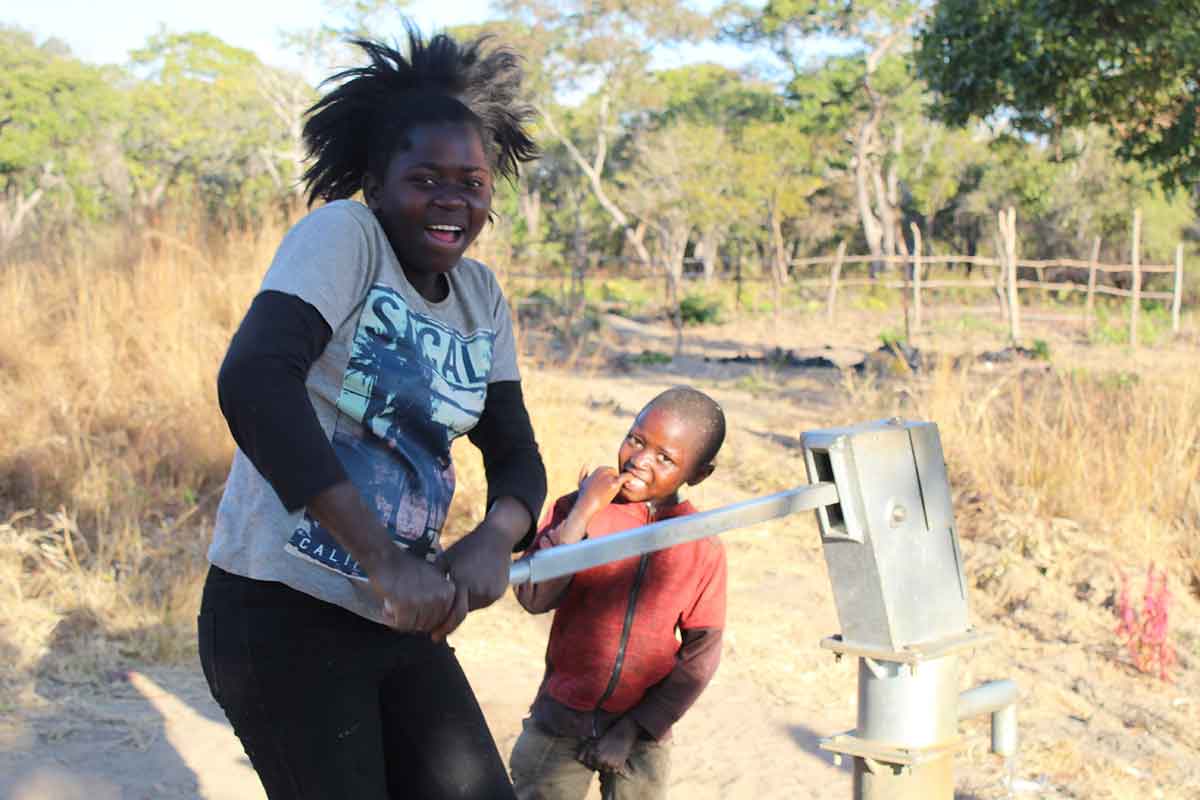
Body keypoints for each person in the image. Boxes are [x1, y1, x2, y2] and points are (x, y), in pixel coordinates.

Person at [197, 28, 546, 800]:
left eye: (474, 181)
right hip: (281, 611)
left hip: (400, 619)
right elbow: (256, 380)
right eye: (426, 178)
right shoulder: (346, 237)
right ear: (376, 182)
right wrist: (384, 561)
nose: (454, 199)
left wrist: (495, 537)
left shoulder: (481, 297)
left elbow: (517, 452)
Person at [509, 387, 727, 800]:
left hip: (642, 735)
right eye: (636, 440)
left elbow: (702, 653)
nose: (641, 460)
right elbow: (533, 596)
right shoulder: (581, 509)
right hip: (560, 720)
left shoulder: (701, 545)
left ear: (699, 474)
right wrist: (582, 514)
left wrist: (634, 729)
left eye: (665, 458)